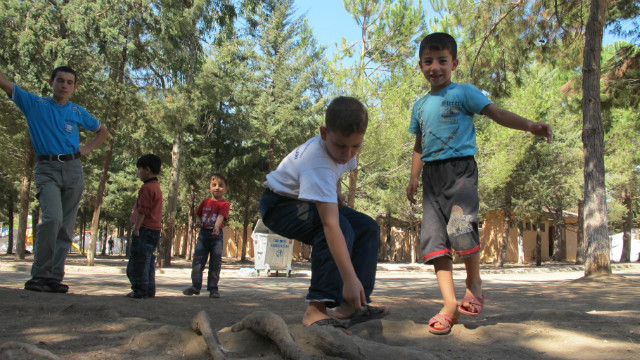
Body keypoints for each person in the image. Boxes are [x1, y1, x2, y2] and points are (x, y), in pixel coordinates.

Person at [405, 33, 553, 335]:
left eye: (442, 61)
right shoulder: (419, 106)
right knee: (434, 242)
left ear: (454, 63)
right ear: (420, 66)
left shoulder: (464, 93)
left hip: (460, 171)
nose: (435, 67)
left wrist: (529, 126)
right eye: (428, 61)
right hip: (431, 178)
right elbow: (419, 145)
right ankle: (449, 305)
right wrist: (413, 178)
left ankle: (474, 284)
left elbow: (496, 113)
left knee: (460, 228)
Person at [259, 96, 386, 331]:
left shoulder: (341, 150)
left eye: (356, 146)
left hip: (301, 201)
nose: (347, 153)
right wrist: (348, 278)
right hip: (279, 206)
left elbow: (337, 171)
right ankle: (315, 309)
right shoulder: (316, 162)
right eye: (341, 146)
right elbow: (330, 225)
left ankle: (354, 303)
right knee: (339, 227)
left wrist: (335, 192)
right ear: (324, 133)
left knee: (367, 227)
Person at [0, 66, 109, 293]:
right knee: (52, 219)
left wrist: (87, 149)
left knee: (66, 226)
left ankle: (54, 278)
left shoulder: (78, 112)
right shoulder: (35, 105)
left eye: (70, 82)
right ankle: (39, 276)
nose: (65, 85)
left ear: (75, 87)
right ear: (51, 82)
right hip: (47, 167)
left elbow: (102, 131)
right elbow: (7, 85)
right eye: (60, 80)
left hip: (73, 169)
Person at [183, 174, 230, 298]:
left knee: (215, 263)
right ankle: (195, 286)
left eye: (221, 185)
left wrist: (216, 227)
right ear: (209, 187)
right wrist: (198, 221)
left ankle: (213, 289)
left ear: (226, 189)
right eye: (214, 185)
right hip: (203, 236)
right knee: (198, 261)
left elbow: (221, 216)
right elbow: (198, 214)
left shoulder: (224, 204)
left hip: (216, 237)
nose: (217, 188)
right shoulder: (205, 202)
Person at [126, 154, 163, 299]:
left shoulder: (147, 188)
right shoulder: (156, 187)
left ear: (147, 170)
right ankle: (148, 289)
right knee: (148, 260)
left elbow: (143, 210)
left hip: (145, 229)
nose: (138, 172)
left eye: (139, 169)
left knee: (138, 260)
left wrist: (137, 227)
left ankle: (139, 289)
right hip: (154, 230)